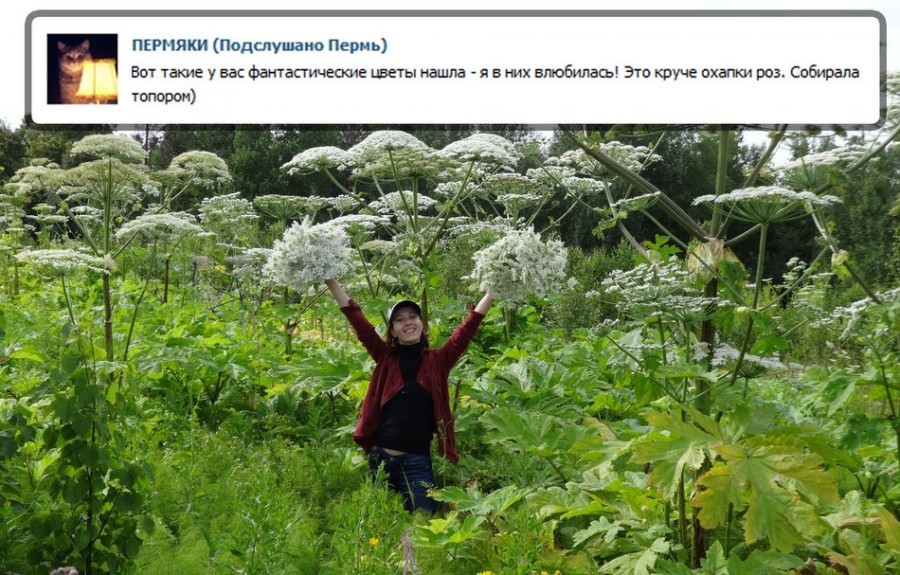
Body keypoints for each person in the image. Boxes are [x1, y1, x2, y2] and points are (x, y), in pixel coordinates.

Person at [324, 278, 493, 513]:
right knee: (378, 523)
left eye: (413, 317)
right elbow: (357, 321)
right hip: (381, 460)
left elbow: (467, 329)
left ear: (422, 325)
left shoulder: (438, 361)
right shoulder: (385, 358)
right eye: (400, 320)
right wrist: (331, 281)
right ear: (392, 331)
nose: (408, 323)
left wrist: (493, 291)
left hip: (416, 464)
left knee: (423, 521)